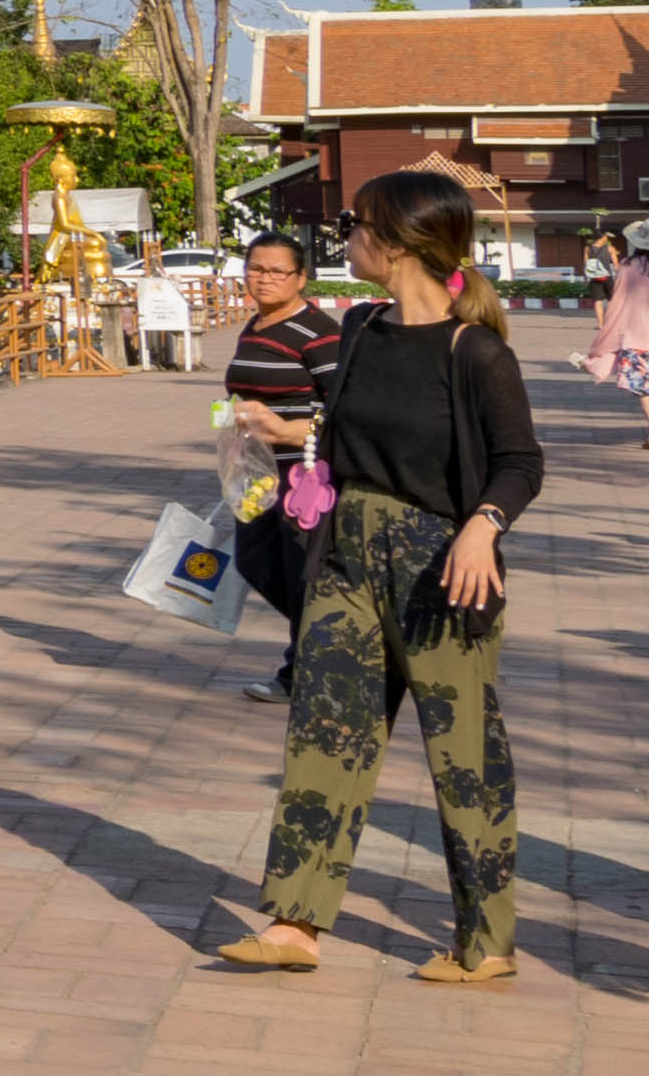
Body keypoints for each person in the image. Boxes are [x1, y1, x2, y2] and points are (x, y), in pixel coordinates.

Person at [214, 166, 543, 984]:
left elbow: (520, 462)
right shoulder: (360, 327)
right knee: (326, 734)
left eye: (358, 225)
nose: (347, 238)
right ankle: (294, 922)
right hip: (347, 552)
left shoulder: (477, 351)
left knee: (463, 752)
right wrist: (277, 435)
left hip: (443, 566)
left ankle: (486, 940)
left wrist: (482, 527)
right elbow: (333, 426)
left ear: (395, 242)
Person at [216, 229, 342, 698]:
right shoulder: (256, 326)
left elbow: (345, 408)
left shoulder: (319, 333)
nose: (264, 280)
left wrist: (290, 430)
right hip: (256, 471)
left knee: (298, 574)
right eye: (255, 269)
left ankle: (303, 673)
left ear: (300, 278)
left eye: (276, 272)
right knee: (255, 562)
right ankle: (330, 646)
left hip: (304, 474)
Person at [587, 224, 649, 417]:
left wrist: (604, 337)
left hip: (637, 337)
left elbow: (617, 304)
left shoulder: (628, 266)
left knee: (643, 388)